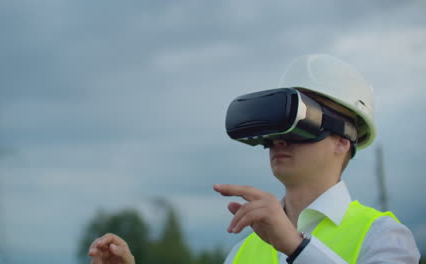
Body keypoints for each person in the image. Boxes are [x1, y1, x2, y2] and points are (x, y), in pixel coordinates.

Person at [88, 54, 420, 263]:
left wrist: (295, 247)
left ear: (343, 140)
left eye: (300, 122)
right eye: (277, 123)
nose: (280, 138)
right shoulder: (243, 253)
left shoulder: (384, 238)